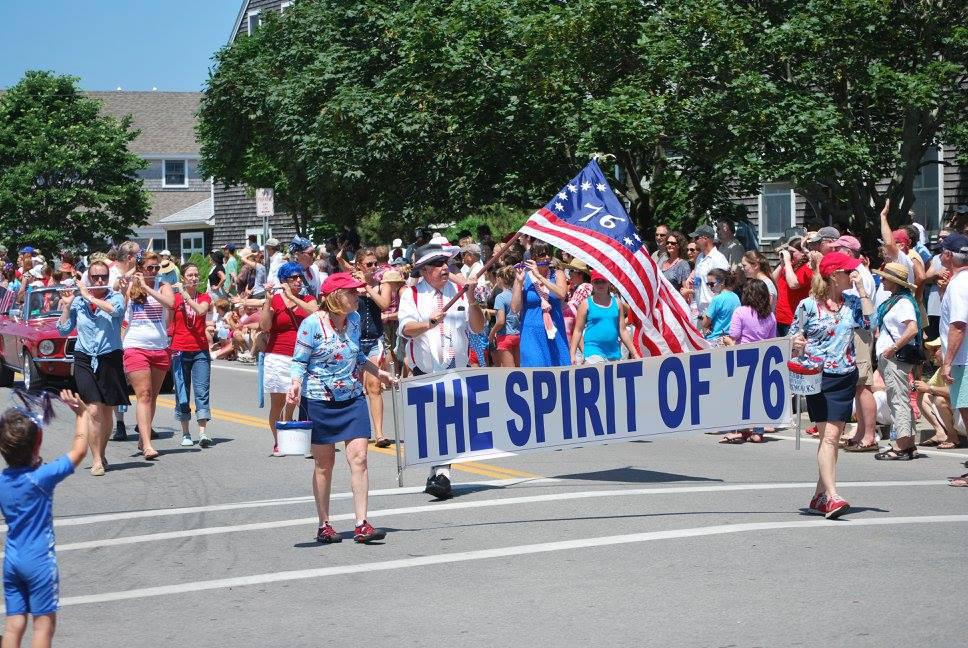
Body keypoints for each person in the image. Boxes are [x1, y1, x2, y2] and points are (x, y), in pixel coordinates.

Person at [287, 273, 395, 544]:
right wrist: (295, 384)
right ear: (336, 297)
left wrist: (379, 372)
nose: (358, 296)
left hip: (352, 396)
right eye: (351, 292)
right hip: (318, 399)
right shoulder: (312, 324)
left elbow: (357, 355)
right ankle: (324, 524)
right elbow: (299, 360)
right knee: (324, 464)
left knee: (359, 457)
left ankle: (361, 523)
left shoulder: (355, 320)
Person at [0, 390, 89, 648]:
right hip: (39, 561)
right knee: (43, 625)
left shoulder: (3, 481)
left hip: (12, 560)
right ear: (36, 445)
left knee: (14, 625)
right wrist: (82, 415)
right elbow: (79, 451)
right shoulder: (41, 478)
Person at [397, 243, 485, 499]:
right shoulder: (412, 295)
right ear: (425, 270)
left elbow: (477, 327)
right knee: (433, 426)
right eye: (438, 264)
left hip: (456, 369)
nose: (445, 267)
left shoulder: (459, 292)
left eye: (447, 263)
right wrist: (428, 323)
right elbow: (405, 329)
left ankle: (442, 474)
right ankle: (438, 473)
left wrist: (471, 299)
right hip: (425, 371)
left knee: (450, 424)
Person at [790, 252, 874, 518]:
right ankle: (832, 496)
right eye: (848, 271)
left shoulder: (852, 302)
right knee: (829, 437)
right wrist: (796, 342)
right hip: (818, 376)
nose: (853, 274)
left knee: (833, 438)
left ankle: (820, 496)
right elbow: (792, 336)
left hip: (845, 375)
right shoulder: (807, 306)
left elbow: (870, 323)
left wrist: (862, 290)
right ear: (834, 276)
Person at [56, 260, 127, 476]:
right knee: (94, 409)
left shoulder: (116, 297)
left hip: (109, 356)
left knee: (106, 411)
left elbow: (115, 311)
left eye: (103, 277)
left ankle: (101, 452)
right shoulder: (79, 302)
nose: (99, 280)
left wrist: (89, 296)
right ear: (88, 278)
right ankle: (96, 459)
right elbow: (63, 329)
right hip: (84, 357)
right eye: (95, 277)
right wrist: (67, 306)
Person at [120, 252, 175, 460]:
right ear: (141, 268)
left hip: (159, 346)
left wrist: (148, 287)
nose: (153, 271)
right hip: (135, 345)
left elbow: (170, 303)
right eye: (149, 267)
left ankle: (143, 436)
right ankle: (147, 444)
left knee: (152, 396)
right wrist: (133, 279)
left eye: (156, 268)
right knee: (143, 394)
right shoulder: (131, 287)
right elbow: (118, 289)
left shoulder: (162, 286)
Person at [833, 236, 880, 452]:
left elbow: (858, 308)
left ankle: (869, 434)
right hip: (856, 331)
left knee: (863, 384)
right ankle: (861, 431)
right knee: (858, 386)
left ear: (849, 252)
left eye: (838, 249)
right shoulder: (856, 271)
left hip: (859, 331)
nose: (835, 252)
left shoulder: (857, 274)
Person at [869, 262, 921, 460]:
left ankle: (901, 446)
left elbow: (912, 329)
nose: (881, 280)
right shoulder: (897, 300)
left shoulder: (903, 302)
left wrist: (893, 347)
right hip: (892, 357)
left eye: (885, 278)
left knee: (897, 400)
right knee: (900, 399)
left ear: (895, 282)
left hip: (895, 358)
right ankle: (909, 444)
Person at [720, 279, 777, 443]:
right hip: (762, 357)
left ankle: (739, 429)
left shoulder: (740, 312)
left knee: (740, 395)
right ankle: (758, 432)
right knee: (757, 395)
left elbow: (734, 334)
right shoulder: (770, 316)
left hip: (742, 357)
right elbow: (772, 339)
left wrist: (727, 341)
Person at [352, 249, 394, 447]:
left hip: (374, 340)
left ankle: (379, 434)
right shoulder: (351, 284)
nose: (374, 267)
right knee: (354, 387)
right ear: (359, 265)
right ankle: (357, 430)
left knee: (374, 386)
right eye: (369, 264)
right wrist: (356, 287)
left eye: (375, 263)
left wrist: (367, 288)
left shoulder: (382, 284)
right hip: (354, 341)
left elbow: (384, 304)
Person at [170, 264, 213, 448]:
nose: (194, 278)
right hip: (179, 350)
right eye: (190, 275)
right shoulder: (175, 299)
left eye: (196, 275)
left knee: (202, 390)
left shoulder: (204, 297)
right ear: (183, 278)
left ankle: (202, 433)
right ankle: (186, 433)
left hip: (200, 350)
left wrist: (186, 296)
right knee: (182, 392)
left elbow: (201, 311)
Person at [938, 234, 968, 486]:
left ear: (948, 255)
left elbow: (958, 325)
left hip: (963, 360)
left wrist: (947, 361)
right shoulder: (959, 282)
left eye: (942, 251)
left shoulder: (959, 285)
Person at [512, 241, 570, 367]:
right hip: (531, 333)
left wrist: (539, 276)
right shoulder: (524, 276)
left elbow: (561, 294)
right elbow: (515, 308)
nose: (547, 257)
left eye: (549, 254)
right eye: (543, 255)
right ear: (533, 257)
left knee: (558, 370)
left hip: (555, 332)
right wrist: (519, 282)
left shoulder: (558, 274)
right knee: (536, 368)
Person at [568, 272, 640, 364]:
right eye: (597, 282)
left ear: (608, 282)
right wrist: (572, 354)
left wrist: (635, 353)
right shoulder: (585, 304)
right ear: (592, 283)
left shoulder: (617, 303)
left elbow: (622, 330)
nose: (600, 284)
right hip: (593, 351)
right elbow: (578, 330)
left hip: (613, 351)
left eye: (603, 281)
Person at [773, 235, 813, 336]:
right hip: (779, 318)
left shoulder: (807, 268)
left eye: (792, 252)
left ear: (803, 253)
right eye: (788, 252)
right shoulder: (788, 266)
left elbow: (793, 284)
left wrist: (787, 262)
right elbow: (772, 281)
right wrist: (782, 263)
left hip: (794, 320)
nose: (790, 255)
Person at [687, 225, 728, 321]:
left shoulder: (719, 259)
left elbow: (724, 286)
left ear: (705, 238)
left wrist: (713, 312)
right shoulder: (699, 257)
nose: (694, 241)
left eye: (696, 238)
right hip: (700, 311)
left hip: (714, 313)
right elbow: (698, 282)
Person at [489, 265, 521, 367]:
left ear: (499, 279)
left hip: (504, 336)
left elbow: (501, 321)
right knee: (519, 369)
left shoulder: (500, 297)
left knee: (510, 372)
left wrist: (492, 333)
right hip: (518, 335)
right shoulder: (517, 295)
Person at [700, 269, 740, 343]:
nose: (710, 287)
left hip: (715, 339)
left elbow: (705, 323)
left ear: (722, 282)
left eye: (711, 284)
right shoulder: (736, 297)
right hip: (730, 340)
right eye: (708, 284)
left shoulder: (717, 299)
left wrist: (703, 318)